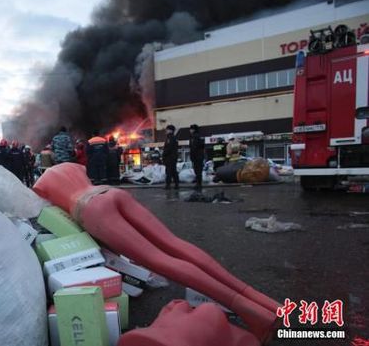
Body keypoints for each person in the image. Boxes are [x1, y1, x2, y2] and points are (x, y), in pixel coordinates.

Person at [33, 163, 279, 344]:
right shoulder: (70, 166)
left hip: (88, 209)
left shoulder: (42, 181)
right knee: (176, 244)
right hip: (108, 192)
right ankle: (265, 303)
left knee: (161, 261)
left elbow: (44, 208)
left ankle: (252, 313)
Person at [163, 125, 179, 190]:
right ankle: (176, 184)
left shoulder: (170, 138)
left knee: (169, 172)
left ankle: (168, 185)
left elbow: (168, 148)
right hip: (173, 158)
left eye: (167, 129)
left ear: (170, 130)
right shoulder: (174, 138)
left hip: (169, 158)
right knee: (174, 171)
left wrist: (164, 155)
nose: (166, 131)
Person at [189, 124, 205, 190]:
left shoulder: (194, 137)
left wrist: (192, 157)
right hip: (200, 156)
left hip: (196, 157)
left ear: (193, 129)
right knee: (199, 171)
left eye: (191, 129)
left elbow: (193, 148)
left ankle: (198, 185)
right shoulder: (200, 136)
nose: (190, 130)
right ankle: (199, 184)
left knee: (197, 171)